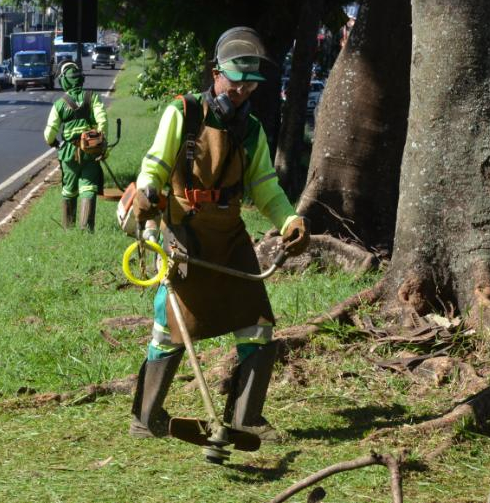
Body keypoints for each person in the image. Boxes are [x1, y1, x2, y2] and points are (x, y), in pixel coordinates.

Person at [129, 27, 311, 442]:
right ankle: (145, 418)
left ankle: (247, 420)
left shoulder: (251, 131)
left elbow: (265, 187)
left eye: (250, 83)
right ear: (216, 74)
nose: (242, 90)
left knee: (258, 326)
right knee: (169, 329)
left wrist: (290, 221)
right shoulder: (185, 113)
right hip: (185, 236)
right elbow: (154, 165)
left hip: (230, 239)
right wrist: (147, 193)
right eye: (235, 80)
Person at [43, 62, 109, 231]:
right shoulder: (92, 96)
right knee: (89, 187)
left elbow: (49, 133)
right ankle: (86, 230)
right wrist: (101, 144)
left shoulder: (60, 104)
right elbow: (102, 120)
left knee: (69, 190)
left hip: (69, 154)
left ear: (64, 81)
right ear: (81, 78)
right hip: (91, 151)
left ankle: (68, 229)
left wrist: (54, 143)